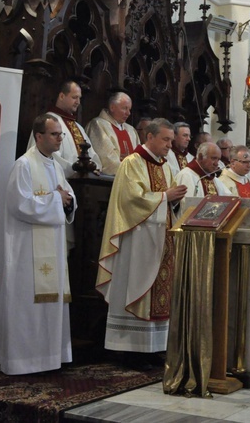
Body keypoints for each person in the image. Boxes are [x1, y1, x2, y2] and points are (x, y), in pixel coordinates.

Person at [0, 114, 77, 375]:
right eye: (54, 134)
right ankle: (23, 361)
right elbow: (20, 204)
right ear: (39, 136)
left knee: (51, 305)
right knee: (27, 303)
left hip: (53, 244)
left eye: (61, 134)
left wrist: (67, 200)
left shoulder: (56, 166)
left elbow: (68, 196)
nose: (60, 138)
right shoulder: (24, 165)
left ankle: (50, 357)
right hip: (28, 248)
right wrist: (56, 199)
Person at [96, 118, 188, 355]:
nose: (170, 144)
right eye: (165, 139)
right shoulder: (132, 163)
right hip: (137, 240)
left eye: (171, 140)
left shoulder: (166, 166)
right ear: (149, 137)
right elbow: (131, 200)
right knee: (135, 287)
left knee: (160, 290)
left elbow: (170, 199)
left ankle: (154, 348)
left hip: (162, 238)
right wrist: (165, 196)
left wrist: (175, 200)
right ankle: (127, 348)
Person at [28, 80, 101, 177]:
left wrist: (93, 168)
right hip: (57, 180)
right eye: (74, 97)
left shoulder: (79, 127)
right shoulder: (46, 122)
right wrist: (75, 170)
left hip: (81, 182)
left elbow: (92, 155)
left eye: (79, 98)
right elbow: (46, 154)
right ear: (62, 96)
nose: (78, 102)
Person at [85, 91, 138, 176]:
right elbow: (107, 159)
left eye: (129, 109)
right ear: (112, 107)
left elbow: (138, 158)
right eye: (125, 108)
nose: (128, 113)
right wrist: (130, 173)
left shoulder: (131, 130)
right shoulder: (98, 125)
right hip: (110, 181)